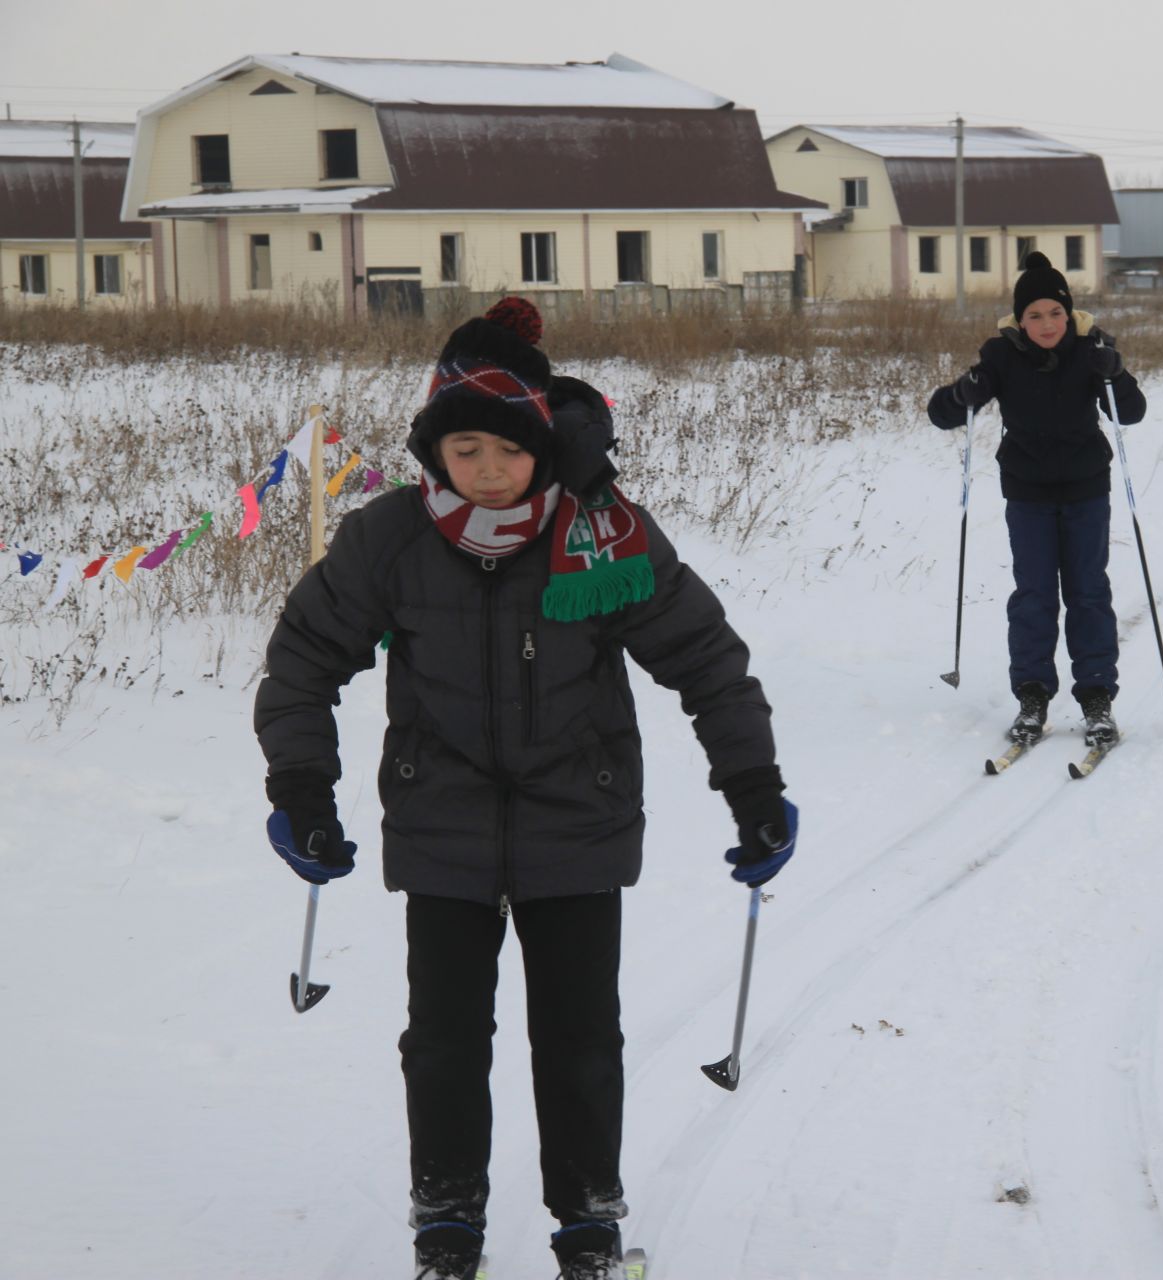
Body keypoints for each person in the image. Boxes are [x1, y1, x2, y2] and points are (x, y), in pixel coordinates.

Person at [253, 298, 795, 1280]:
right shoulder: (391, 539)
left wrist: (753, 784)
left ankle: (588, 1219)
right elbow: (303, 659)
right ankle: (447, 1223)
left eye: (506, 451)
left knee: (581, 1035)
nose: (489, 471)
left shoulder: (604, 536)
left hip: (576, 818)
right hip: (443, 819)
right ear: (436, 453)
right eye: (465, 450)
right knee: (445, 1039)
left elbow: (705, 658)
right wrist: (301, 785)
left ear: (540, 447)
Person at [927, 251, 1146, 749]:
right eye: (1034, 315)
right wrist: (964, 390)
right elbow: (942, 414)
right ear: (1019, 320)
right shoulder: (1001, 356)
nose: (1046, 324)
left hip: (1087, 488)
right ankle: (1032, 696)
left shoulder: (1094, 351)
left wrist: (1117, 373)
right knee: (1034, 594)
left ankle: (1096, 697)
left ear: (1068, 315)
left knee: (1089, 591)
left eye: (1055, 314)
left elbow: (1130, 413)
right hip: (1027, 492)